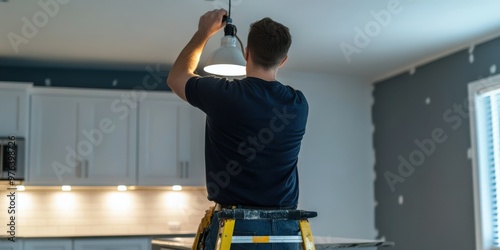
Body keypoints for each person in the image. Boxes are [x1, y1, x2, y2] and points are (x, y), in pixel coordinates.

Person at [167, 9, 308, 250]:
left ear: (246, 53)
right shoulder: (297, 103)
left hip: (236, 229)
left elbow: (177, 77)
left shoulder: (224, 95)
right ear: (283, 60)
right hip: (287, 229)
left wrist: (203, 33)